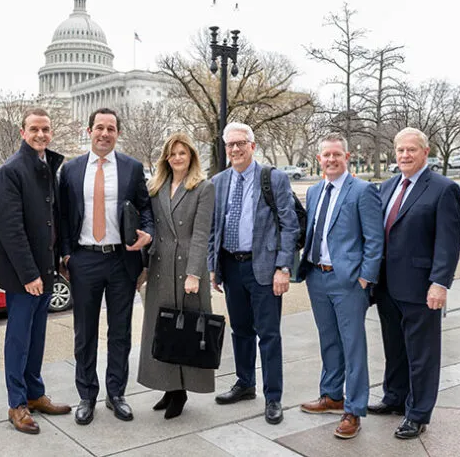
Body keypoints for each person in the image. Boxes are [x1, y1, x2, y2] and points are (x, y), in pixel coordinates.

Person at [58, 107, 154, 425]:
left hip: (121, 260)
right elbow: (61, 216)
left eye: (111, 128)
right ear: (89, 131)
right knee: (84, 333)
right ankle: (87, 396)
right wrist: (66, 254)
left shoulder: (131, 168)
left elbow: (145, 207)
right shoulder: (70, 170)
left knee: (120, 333)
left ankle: (116, 394)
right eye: (99, 127)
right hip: (84, 259)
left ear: (117, 133)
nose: (105, 133)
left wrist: (148, 234)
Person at [369, 127, 460, 439]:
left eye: (411, 150)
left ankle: (418, 413)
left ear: (426, 152)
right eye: (400, 150)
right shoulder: (387, 186)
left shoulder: (442, 188)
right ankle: (394, 397)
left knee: (422, 353)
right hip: (386, 286)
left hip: (421, 287)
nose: (405, 155)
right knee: (394, 348)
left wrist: (440, 283)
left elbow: (448, 242)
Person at [207, 122, 300, 425]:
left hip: (264, 268)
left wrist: (283, 267)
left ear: (252, 146)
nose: (235, 149)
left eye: (240, 144)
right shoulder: (218, 181)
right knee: (241, 331)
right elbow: (213, 228)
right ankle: (245, 383)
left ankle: (273, 397)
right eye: (230, 144)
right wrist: (213, 266)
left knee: (269, 335)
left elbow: (290, 226)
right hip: (232, 267)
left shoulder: (273, 179)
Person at [297, 134, 383, 439]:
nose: (331, 159)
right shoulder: (314, 190)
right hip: (316, 277)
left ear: (346, 157)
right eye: (325, 155)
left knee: (353, 345)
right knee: (328, 340)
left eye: (336, 154)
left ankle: (354, 409)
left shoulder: (362, 191)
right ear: (318, 159)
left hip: (348, 281)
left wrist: (364, 278)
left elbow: (374, 240)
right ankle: (332, 394)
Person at [0, 108, 71, 434]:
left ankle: (35, 394)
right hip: (25, 276)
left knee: (37, 338)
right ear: (23, 132)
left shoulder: (46, 166)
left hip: (46, 270)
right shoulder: (11, 171)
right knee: (19, 340)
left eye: (46, 129)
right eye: (34, 129)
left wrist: (58, 261)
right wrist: (29, 274)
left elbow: (53, 219)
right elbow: (10, 229)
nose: (41, 134)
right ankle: (17, 403)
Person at [137, 133, 215, 419]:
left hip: (187, 270)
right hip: (160, 266)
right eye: (172, 153)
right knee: (162, 330)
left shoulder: (203, 188)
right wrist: (143, 267)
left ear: (191, 156)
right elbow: (151, 229)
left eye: (182, 153)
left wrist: (194, 273)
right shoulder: (156, 187)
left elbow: (201, 234)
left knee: (186, 330)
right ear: (166, 158)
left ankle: (181, 391)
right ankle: (168, 387)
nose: (177, 158)